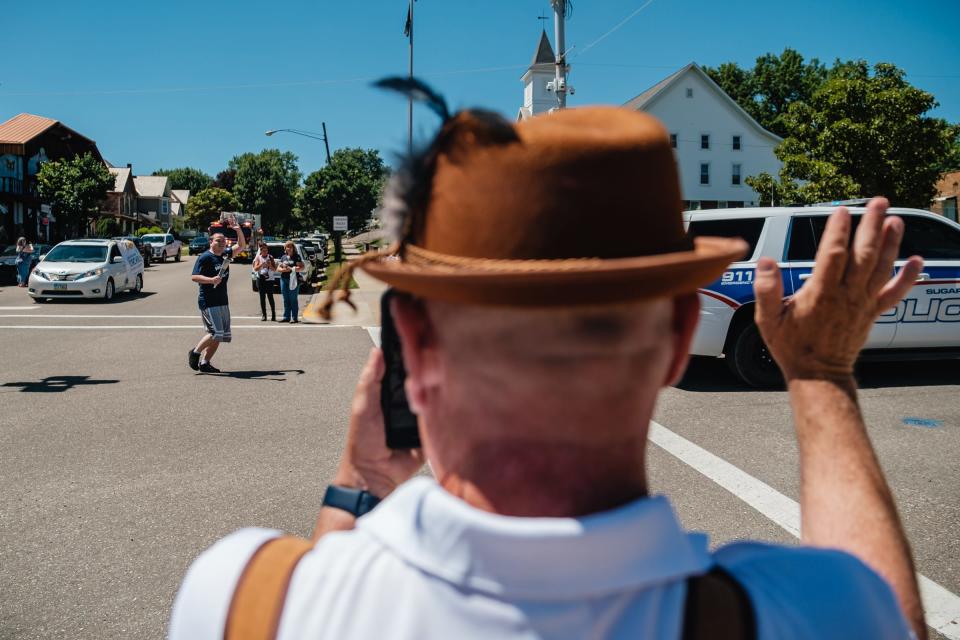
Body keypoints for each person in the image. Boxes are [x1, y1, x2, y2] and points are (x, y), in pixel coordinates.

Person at [170, 103, 926, 639]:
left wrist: (361, 483)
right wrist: (822, 374)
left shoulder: (241, 597)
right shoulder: (817, 611)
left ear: (409, 347)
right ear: (677, 337)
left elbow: (325, 597)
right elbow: (890, 612)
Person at [188, 219, 246, 373]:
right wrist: (211, 280)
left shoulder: (226, 255)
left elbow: (241, 246)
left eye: (224, 241)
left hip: (222, 300)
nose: (222, 243)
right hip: (209, 301)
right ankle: (195, 352)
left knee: (221, 335)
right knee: (216, 332)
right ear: (211, 242)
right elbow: (194, 277)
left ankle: (205, 363)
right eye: (218, 241)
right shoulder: (205, 257)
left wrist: (238, 229)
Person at [275, 241, 304, 324]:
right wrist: (284, 270)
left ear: (293, 248)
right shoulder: (283, 257)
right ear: (285, 248)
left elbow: (302, 267)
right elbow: (278, 268)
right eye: (287, 247)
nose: (289, 248)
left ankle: (294, 318)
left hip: (293, 280)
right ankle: (286, 317)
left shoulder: (296, 257)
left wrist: (292, 269)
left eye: (290, 247)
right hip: (283, 279)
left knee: (293, 299)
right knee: (286, 299)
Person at [252, 243, 277, 322]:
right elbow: (255, 269)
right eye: (263, 250)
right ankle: (264, 315)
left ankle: (273, 315)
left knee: (270, 297)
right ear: (261, 251)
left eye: (266, 250)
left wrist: (269, 265)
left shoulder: (271, 257)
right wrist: (261, 264)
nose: (265, 251)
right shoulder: (258, 258)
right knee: (262, 298)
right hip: (261, 279)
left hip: (269, 280)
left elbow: (274, 269)